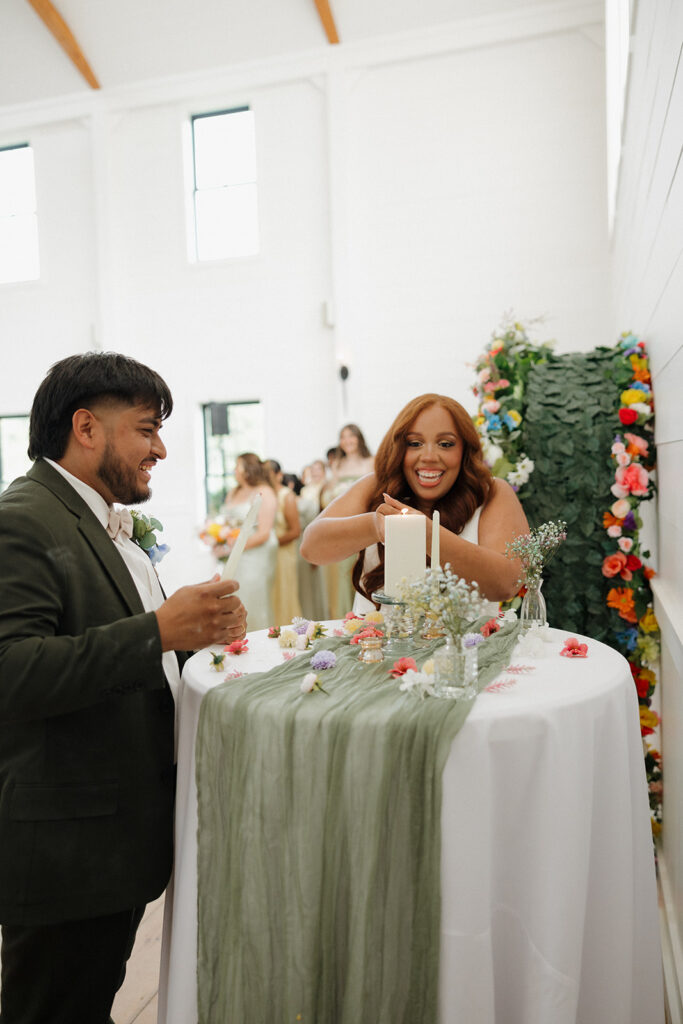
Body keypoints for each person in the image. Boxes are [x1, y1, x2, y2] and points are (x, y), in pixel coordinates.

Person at [0, 352, 246, 1024]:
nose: (161, 449)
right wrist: (158, 632)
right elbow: (12, 671)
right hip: (65, 848)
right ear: (86, 427)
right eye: (147, 429)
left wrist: (196, 635)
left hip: (110, 838)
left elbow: (124, 642)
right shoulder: (22, 518)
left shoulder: (98, 521)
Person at [300, 394, 528, 612]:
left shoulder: (492, 493)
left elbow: (507, 583)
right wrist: (375, 526)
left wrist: (426, 534)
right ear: (398, 447)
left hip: (466, 649)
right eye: (415, 443)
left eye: (446, 444)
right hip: (376, 646)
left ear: (465, 450)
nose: (429, 456)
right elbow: (311, 548)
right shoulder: (376, 486)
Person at [318, 424, 375, 617]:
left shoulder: (370, 462)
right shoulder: (337, 465)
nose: (347, 441)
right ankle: (345, 614)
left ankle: (365, 613)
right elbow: (328, 496)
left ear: (359, 439)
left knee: (364, 569)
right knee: (342, 573)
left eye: (351, 436)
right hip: (340, 526)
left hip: (364, 525)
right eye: (343, 437)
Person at [221, 453, 278, 631]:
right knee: (234, 596)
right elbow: (226, 523)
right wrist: (219, 540)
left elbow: (264, 533)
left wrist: (236, 547)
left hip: (256, 553)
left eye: (237, 466)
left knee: (253, 598)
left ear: (248, 470)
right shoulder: (234, 491)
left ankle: (258, 637)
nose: (234, 471)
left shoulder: (264, 492)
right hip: (236, 552)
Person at [266, 460, 302, 626]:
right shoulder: (264, 494)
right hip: (266, 555)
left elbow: (295, 531)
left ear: (278, 475)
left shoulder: (286, 496)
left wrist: (272, 543)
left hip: (283, 554)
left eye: (268, 472)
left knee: (284, 594)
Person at [297, 461, 329, 620]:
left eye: (319, 469)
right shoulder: (305, 491)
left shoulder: (327, 488)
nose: (316, 472)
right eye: (313, 470)